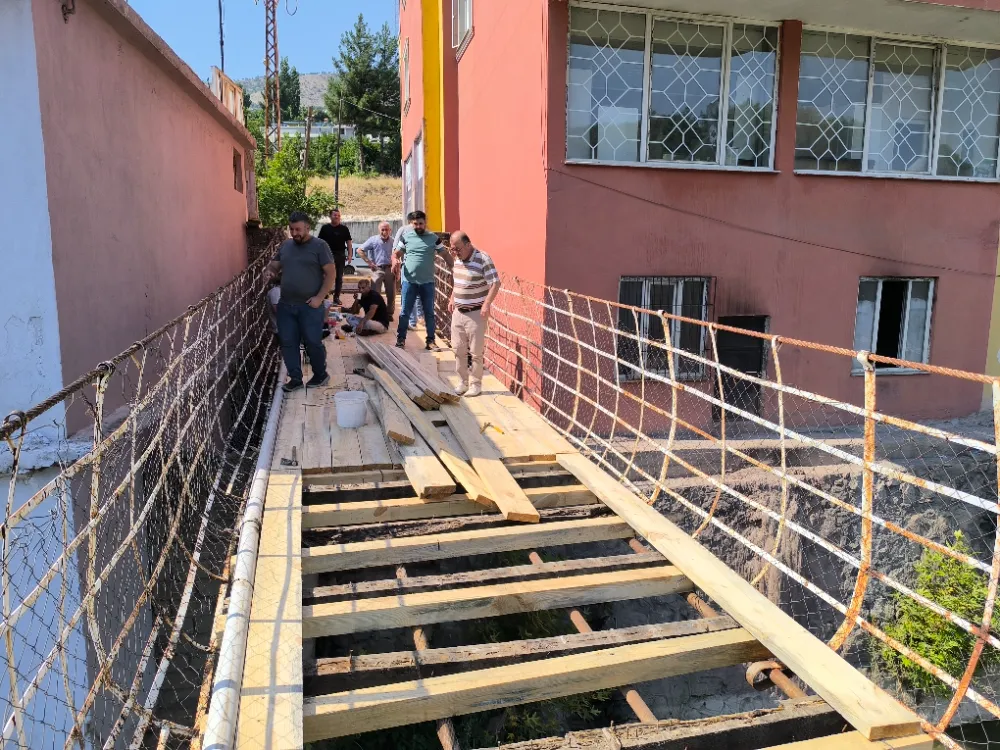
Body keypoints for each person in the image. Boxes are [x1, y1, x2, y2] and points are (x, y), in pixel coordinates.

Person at [267, 211, 336, 392]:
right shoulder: (286, 246)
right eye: (291, 229)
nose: (294, 233)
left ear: (307, 227)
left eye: (298, 229)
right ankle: (295, 378)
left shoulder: (320, 246)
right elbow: (275, 264)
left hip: (309, 306)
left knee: (312, 342)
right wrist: (270, 271)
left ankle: (320, 374)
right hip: (286, 305)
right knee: (288, 342)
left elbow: (331, 274)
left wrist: (319, 298)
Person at [448, 231, 501, 397]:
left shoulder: (483, 258)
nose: (455, 252)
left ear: (468, 245)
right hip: (458, 312)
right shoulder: (457, 258)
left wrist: (486, 304)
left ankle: (475, 385)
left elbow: (495, 283)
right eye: (452, 249)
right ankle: (462, 382)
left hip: (476, 313)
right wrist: (452, 298)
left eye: (457, 249)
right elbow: (458, 282)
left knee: (476, 352)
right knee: (458, 349)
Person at [393, 210, 451, 350]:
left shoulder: (433, 238)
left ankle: (430, 341)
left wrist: (455, 267)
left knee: (429, 313)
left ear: (425, 223)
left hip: (427, 283)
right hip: (409, 282)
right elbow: (396, 254)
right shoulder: (406, 237)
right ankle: (401, 339)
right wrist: (395, 261)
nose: (418, 226)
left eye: (420, 223)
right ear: (411, 224)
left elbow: (445, 255)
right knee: (404, 312)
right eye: (415, 224)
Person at [357, 221, 397, 319]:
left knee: (391, 294)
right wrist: (369, 262)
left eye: (386, 229)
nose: (384, 232)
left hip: (390, 269)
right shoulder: (373, 240)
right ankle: (376, 314)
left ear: (390, 230)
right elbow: (359, 250)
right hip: (377, 270)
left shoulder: (393, 241)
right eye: (382, 230)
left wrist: (397, 268)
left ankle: (389, 314)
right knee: (375, 294)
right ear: (379, 230)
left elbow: (399, 254)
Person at [317, 208, 352, 306]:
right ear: (330, 216)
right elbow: (320, 242)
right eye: (335, 215)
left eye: (338, 215)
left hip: (340, 255)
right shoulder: (325, 228)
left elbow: (349, 242)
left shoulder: (344, 229)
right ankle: (324, 295)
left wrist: (350, 255)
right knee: (325, 276)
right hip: (327, 255)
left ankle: (336, 297)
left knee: (339, 277)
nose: (337, 217)